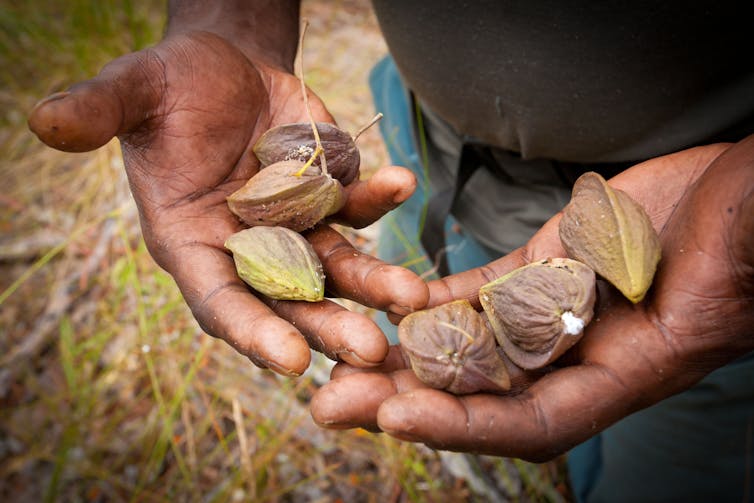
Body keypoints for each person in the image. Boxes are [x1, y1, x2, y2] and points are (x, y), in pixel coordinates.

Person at [28, 1, 754, 501]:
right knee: (412, 322)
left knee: (666, 467)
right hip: (428, 140)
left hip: (694, 218)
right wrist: (232, 22)